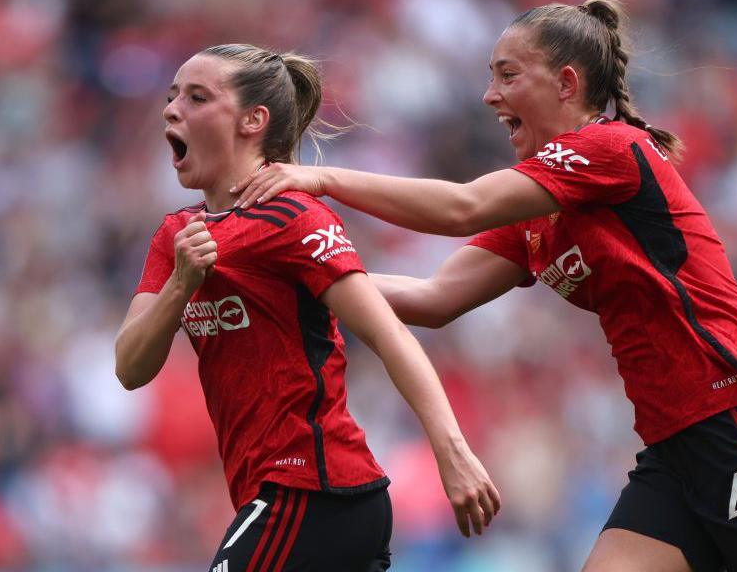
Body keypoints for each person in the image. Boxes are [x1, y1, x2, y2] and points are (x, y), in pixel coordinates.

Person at [231, 0, 737, 572]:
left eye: (507, 75)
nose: (487, 95)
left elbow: (461, 207)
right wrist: (302, 275)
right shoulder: (537, 209)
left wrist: (319, 181)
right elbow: (435, 298)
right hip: (674, 445)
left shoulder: (609, 148)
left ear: (566, 84)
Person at [114, 43, 500, 572]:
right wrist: (181, 287)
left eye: (197, 97)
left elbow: (390, 336)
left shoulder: (293, 216)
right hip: (291, 497)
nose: (172, 108)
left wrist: (451, 452)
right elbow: (130, 368)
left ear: (254, 120)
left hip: (313, 491)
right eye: (172, 95)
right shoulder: (176, 237)